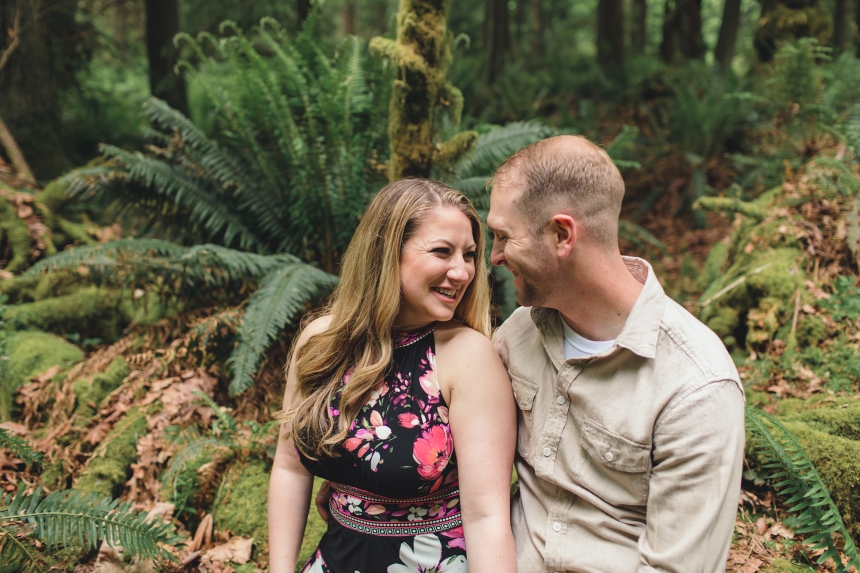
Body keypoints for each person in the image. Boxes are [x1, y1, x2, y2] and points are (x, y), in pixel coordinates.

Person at [487, 135, 746, 573]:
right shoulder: (518, 334)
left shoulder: (696, 387)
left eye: (502, 236)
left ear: (561, 234)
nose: (492, 256)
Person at [268, 179, 517, 573]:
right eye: (441, 251)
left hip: (431, 562)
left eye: (469, 255)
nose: (462, 271)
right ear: (387, 252)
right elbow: (289, 468)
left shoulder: (466, 356)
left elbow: (487, 517)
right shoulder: (321, 342)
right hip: (335, 559)